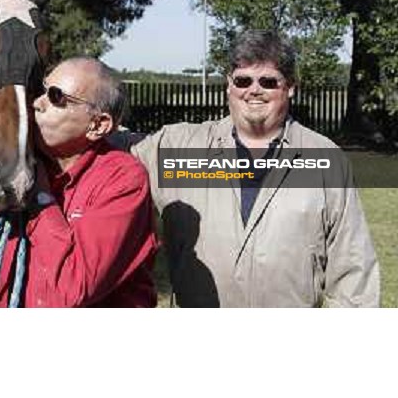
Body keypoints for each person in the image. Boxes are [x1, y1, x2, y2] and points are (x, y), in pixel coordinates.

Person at [125, 30, 379, 307]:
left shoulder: (327, 159)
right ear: (228, 85)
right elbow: (105, 152)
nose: (254, 90)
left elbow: (355, 274)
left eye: (268, 81)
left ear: (290, 86)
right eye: (243, 80)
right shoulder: (178, 146)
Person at [0, 57, 158, 308]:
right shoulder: (22, 163)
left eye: (55, 97)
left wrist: (39, 193)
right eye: (42, 90)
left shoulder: (123, 180)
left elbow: (69, 293)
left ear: (98, 125)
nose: (36, 103)